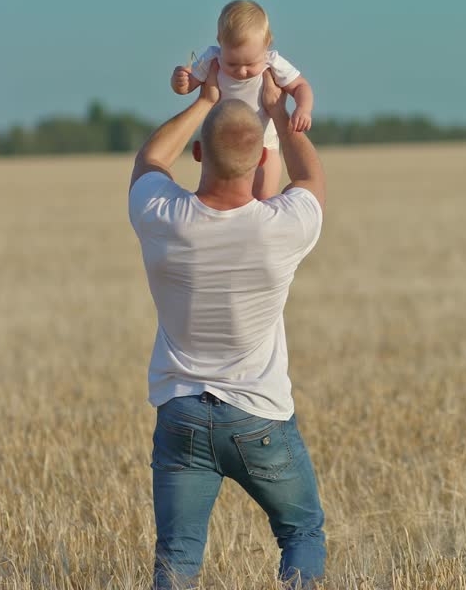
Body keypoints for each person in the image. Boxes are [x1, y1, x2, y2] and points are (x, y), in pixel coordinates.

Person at [130, 59, 328, 589]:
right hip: (260, 416)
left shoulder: (159, 215)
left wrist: (202, 101)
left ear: (199, 152)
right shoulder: (281, 229)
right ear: (260, 158)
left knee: (177, 559)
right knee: (302, 531)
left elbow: (150, 158)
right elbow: (309, 177)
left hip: (181, 414)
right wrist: (279, 114)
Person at [169, 0, 315, 200]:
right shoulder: (211, 59)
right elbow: (187, 87)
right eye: (232, 63)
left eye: (250, 63)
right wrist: (180, 81)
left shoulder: (273, 63)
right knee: (219, 198)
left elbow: (301, 86)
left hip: (265, 145)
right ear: (220, 42)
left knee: (264, 197)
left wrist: (303, 108)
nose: (242, 70)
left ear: (267, 44)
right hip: (221, 148)